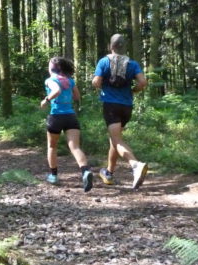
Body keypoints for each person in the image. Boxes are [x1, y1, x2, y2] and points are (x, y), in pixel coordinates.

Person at [92, 34, 148, 189]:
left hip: (111, 105)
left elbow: (96, 82)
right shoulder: (132, 63)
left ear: (111, 46)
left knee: (116, 140)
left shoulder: (104, 61)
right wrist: (135, 90)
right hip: (127, 106)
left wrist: (99, 85)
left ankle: (135, 165)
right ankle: (109, 172)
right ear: (124, 47)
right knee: (114, 139)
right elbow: (143, 82)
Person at [40, 57, 93, 192]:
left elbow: (56, 90)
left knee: (52, 146)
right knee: (75, 147)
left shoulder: (50, 80)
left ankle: (53, 175)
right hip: (70, 116)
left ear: (52, 68)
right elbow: (77, 96)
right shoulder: (70, 81)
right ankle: (85, 171)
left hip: (56, 116)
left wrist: (46, 99)